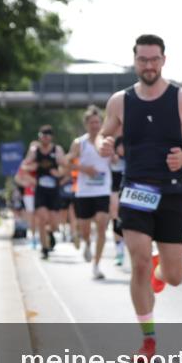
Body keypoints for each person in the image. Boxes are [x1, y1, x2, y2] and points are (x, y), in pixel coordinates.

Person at [97, 34, 182, 360]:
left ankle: (161, 272)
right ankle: (148, 340)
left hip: (173, 191)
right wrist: (103, 145)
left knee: (174, 277)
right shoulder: (120, 101)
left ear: (163, 60)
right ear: (135, 61)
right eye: (142, 59)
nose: (148, 65)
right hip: (135, 190)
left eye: (154, 59)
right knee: (139, 261)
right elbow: (104, 136)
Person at [69, 105, 113, 280]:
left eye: (98, 122)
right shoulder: (80, 143)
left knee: (102, 223)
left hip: (103, 190)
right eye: (92, 122)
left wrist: (117, 157)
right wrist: (83, 168)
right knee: (85, 228)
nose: (95, 125)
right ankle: (86, 242)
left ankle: (96, 264)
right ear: (86, 124)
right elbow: (67, 163)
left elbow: (117, 159)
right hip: (84, 192)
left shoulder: (108, 141)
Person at [21, 126, 68, 259]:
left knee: (54, 223)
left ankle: (49, 232)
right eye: (43, 135)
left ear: (51, 137)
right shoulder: (35, 150)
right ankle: (44, 248)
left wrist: (58, 173)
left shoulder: (57, 150)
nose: (45, 137)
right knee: (42, 218)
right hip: (40, 190)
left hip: (53, 191)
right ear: (39, 136)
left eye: (48, 135)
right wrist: (32, 171)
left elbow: (66, 167)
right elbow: (24, 166)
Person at [109, 137, 126, 266]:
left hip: (130, 192)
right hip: (115, 190)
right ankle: (119, 248)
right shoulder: (112, 159)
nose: (122, 148)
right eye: (120, 146)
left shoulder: (132, 159)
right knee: (115, 215)